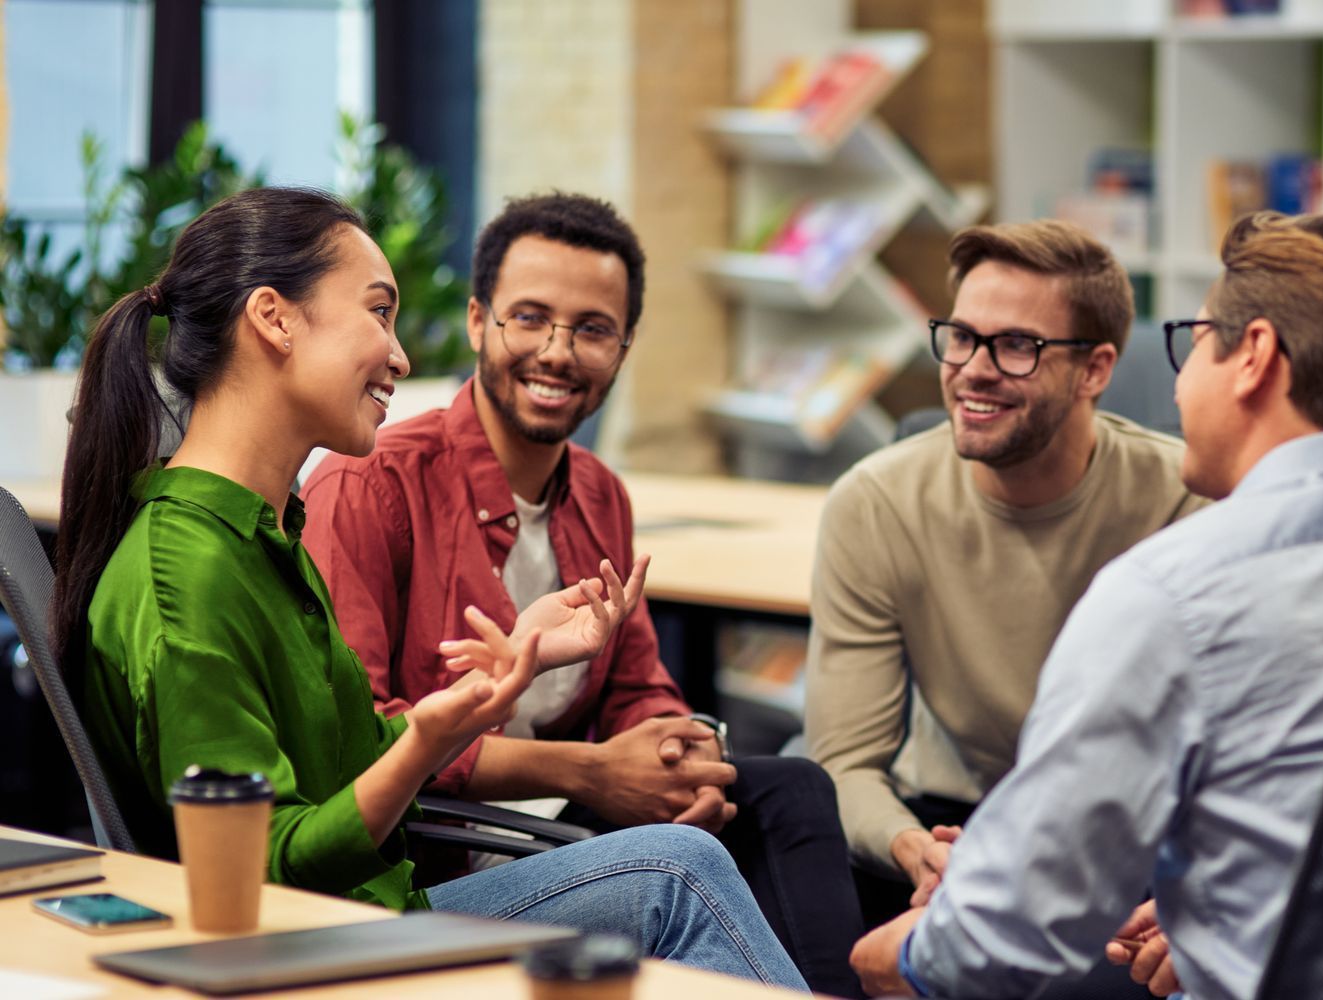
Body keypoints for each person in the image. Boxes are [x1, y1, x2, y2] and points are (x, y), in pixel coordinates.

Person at [53, 187, 806, 990]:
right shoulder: (190, 573)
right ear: (274, 318)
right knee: (680, 870)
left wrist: (496, 680)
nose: (401, 356)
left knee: (742, 823)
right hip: (317, 943)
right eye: (379, 314)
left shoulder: (261, 532)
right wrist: (428, 740)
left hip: (375, 909)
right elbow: (267, 870)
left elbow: (351, 763)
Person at [848, 210, 1323, 999]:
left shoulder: (1174, 592)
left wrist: (898, 959)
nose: (1177, 380)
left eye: (1196, 341)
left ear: (1255, 358)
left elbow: (1017, 925)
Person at [297, 192, 861, 997]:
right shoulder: (371, 483)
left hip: (550, 831)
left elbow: (638, 689)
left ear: (623, 348)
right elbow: (366, 738)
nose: (557, 352)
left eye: (593, 329)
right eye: (529, 318)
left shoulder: (600, 495)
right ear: (477, 323)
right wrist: (594, 772)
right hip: (424, 864)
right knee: (688, 865)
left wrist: (680, 761)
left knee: (793, 788)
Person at [803, 219, 1205, 926]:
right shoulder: (874, 503)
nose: (974, 368)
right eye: (961, 337)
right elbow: (846, 764)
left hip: (1125, 843)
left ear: (1096, 369)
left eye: (1018, 345)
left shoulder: (1184, 498)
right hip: (949, 827)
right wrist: (911, 850)